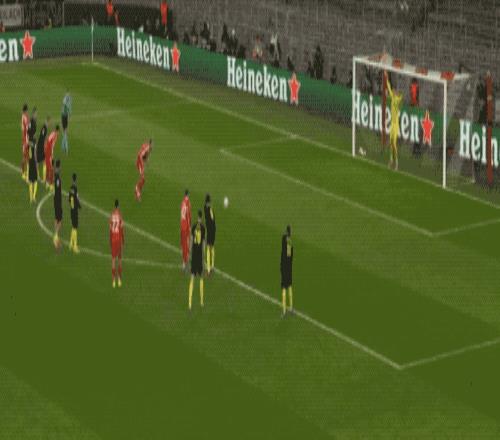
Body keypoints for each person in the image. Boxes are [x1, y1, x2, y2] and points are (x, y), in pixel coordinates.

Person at [385, 72, 403, 170]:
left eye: (394, 90)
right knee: (391, 144)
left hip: (396, 125)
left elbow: (401, 96)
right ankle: (391, 160)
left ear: (396, 92)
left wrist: (399, 94)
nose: (392, 91)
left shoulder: (398, 98)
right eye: (393, 90)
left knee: (394, 144)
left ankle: (396, 163)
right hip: (392, 123)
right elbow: (388, 87)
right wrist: (386, 77)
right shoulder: (393, 97)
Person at [188, 210, 205, 310]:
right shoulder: (203, 228)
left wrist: (190, 252)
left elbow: (190, 240)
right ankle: (201, 301)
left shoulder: (194, 226)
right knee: (201, 277)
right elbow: (203, 243)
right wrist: (203, 256)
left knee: (192, 278)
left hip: (194, 255)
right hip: (199, 255)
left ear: (197, 217)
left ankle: (189, 303)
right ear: (201, 217)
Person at [110, 199, 124, 288]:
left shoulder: (111, 215)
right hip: (118, 240)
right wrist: (123, 240)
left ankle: (113, 281)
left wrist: (110, 241)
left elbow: (110, 229)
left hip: (113, 240)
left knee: (113, 260)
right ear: (118, 206)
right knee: (119, 260)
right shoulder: (120, 215)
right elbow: (122, 228)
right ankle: (119, 279)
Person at [280, 225, 293, 316]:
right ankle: (291, 308)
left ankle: (284, 311)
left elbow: (284, 238)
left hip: (284, 267)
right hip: (289, 267)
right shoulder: (290, 244)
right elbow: (290, 255)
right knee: (290, 286)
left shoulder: (284, 239)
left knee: (284, 288)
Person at [68, 173, 81, 254]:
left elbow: (69, 199)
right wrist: (79, 206)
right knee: (75, 228)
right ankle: (75, 246)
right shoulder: (75, 188)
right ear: (76, 179)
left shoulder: (71, 188)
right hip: (75, 210)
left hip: (71, 209)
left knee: (73, 227)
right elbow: (76, 199)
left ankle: (70, 243)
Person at [44, 125, 60, 191]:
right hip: (49, 152)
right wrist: (51, 153)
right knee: (51, 168)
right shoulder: (55, 135)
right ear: (58, 131)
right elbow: (51, 144)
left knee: (48, 167)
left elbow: (47, 141)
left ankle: (47, 182)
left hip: (47, 151)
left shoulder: (52, 133)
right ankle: (51, 185)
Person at [204, 194, 216, 275]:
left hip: (209, 230)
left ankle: (208, 270)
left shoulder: (206, 208)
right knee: (212, 247)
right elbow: (213, 219)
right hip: (213, 229)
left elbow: (209, 218)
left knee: (208, 248)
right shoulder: (211, 209)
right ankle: (212, 266)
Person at [180, 189, 192, 270]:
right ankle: (185, 262)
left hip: (182, 225)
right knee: (186, 244)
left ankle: (185, 260)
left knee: (183, 243)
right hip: (186, 227)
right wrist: (189, 226)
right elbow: (188, 216)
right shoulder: (188, 203)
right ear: (188, 195)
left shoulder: (182, 202)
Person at [36, 116, 49, 183]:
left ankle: (44, 178)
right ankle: (38, 176)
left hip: (40, 145)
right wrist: (45, 146)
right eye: (48, 122)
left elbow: (43, 136)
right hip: (40, 146)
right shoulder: (44, 128)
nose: (48, 124)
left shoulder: (44, 128)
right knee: (38, 161)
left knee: (44, 161)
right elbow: (43, 137)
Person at [53, 159, 62, 249]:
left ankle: (56, 235)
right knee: (60, 220)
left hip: (56, 198)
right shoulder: (58, 177)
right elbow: (58, 186)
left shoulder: (55, 174)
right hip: (58, 199)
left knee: (57, 218)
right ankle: (55, 237)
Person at [28, 139, 38, 204]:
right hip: (34, 165)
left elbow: (29, 143)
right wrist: (37, 165)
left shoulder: (29, 147)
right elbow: (35, 157)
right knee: (35, 181)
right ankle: (34, 197)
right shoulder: (34, 148)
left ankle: (30, 198)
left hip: (30, 165)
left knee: (30, 182)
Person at [21, 104, 29, 182]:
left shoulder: (24, 116)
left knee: (26, 157)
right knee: (25, 157)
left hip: (25, 139)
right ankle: (24, 173)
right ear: (26, 110)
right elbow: (27, 129)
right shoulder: (25, 117)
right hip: (25, 140)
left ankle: (25, 173)